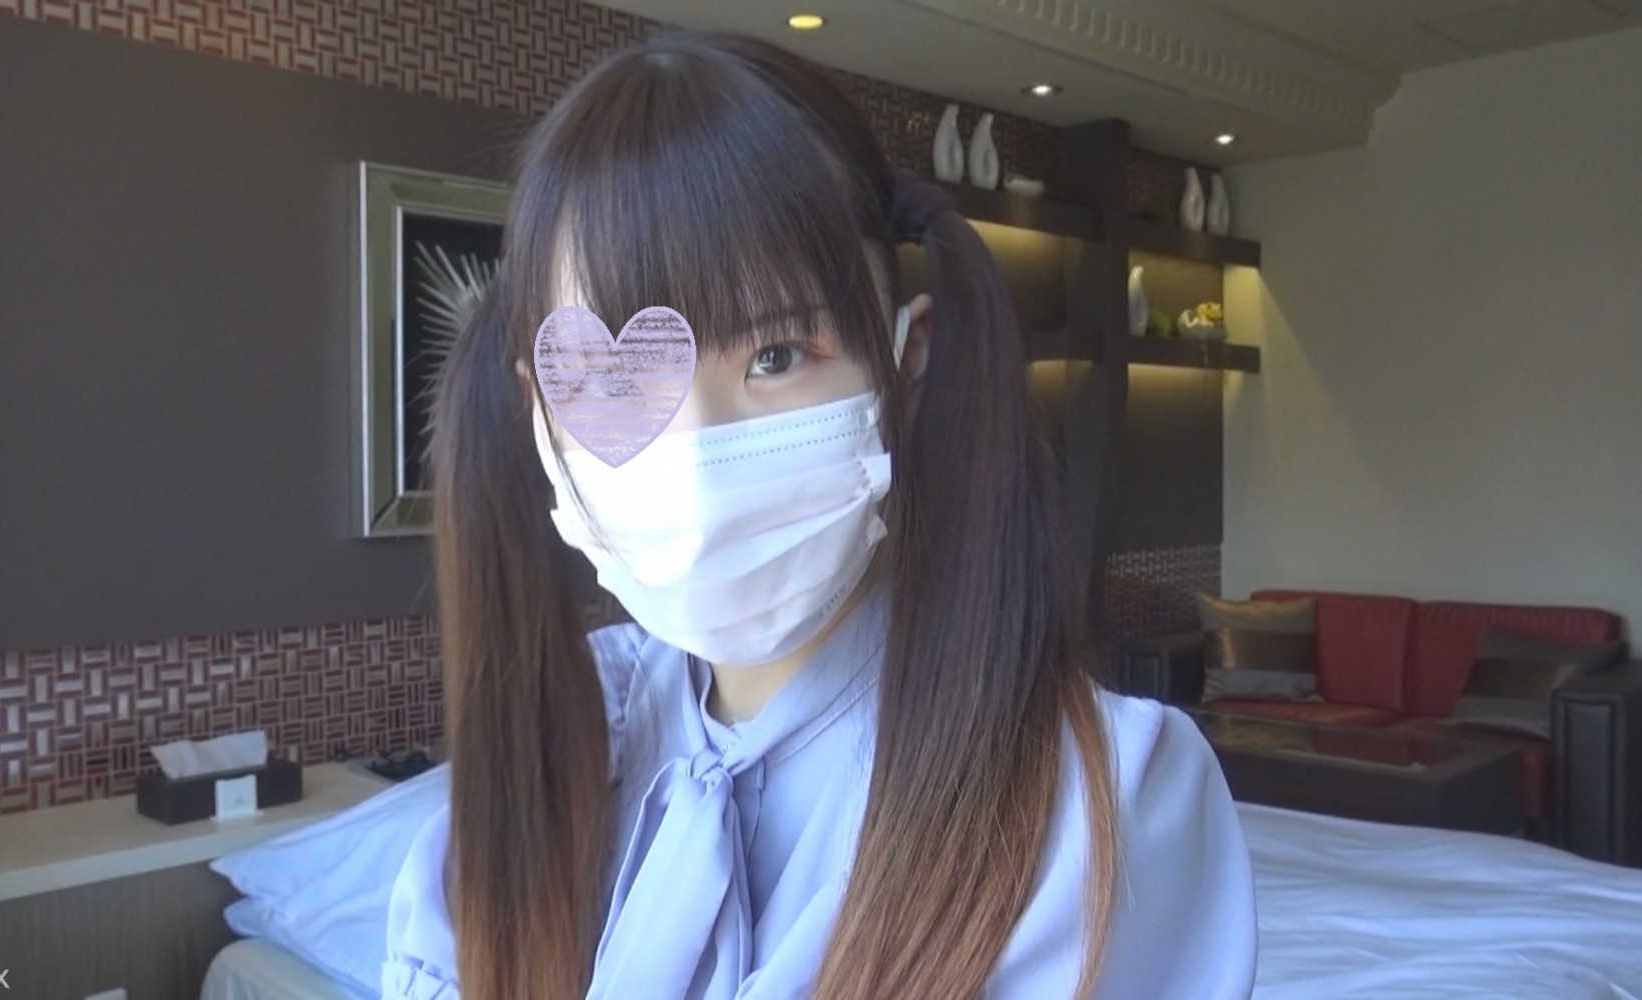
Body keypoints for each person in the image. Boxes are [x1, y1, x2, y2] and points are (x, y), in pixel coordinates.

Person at [385, 27, 1257, 1000]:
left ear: (905, 363)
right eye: (619, 379)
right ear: (540, 408)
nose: (696, 452)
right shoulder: (549, 751)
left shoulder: (1095, 812)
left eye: (775, 357)